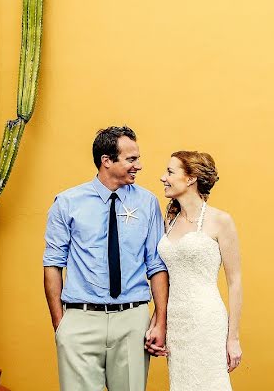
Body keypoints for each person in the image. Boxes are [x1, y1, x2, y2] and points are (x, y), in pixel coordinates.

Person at [43, 126, 169, 391]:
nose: (139, 166)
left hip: (132, 320)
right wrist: (61, 325)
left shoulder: (147, 203)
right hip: (81, 319)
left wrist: (160, 321)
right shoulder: (67, 203)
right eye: (131, 159)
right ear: (107, 160)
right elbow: (53, 264)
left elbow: (156, 266)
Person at [156, 151, 242, 391]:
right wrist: (158, 321)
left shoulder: (220, 221)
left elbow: (235, 282)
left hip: (205, 320)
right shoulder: (168, 221)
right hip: (177, 323)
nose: (163, 178)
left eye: (170, 172)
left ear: (191, 178)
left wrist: (233, 338)